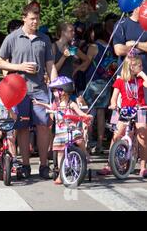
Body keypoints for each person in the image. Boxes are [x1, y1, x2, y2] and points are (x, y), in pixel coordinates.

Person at [0, 1, 59, 180]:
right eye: (32, 19)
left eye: (37, 19)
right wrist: (20, 67)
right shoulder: (13, 37)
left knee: (43, 126)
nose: (35, 22)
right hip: (18, 90)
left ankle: (44, 165)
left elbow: (50, 65)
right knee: (22, 128)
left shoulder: (44, 38)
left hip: (39, 88)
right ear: (24, 18)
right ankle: (25, 165)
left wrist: (55, 89)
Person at [33, 76, 93, 184]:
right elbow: (50, 107)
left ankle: (84, 154)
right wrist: (39, 104)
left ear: (63, 91)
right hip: (60, 133)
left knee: (79, 140)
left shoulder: (72, 104)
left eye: (55, 91)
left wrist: (86, 116)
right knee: (60, 153)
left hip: (71, 130)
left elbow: (80, 113)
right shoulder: (56, 104)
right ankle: (61, 174)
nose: (54, 93)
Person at [98, 55, 147, 177]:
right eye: (139, 66)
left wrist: (142, 74)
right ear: (131, 67)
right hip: (125, 109)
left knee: (142, 134)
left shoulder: (140, 79)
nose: (142, 67)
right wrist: (113, 104)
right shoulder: (120, 81)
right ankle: (109, 164)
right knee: (117, 133)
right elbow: (114, 98)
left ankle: (143, 167)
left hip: (140, 109)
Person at [82, 23, 117, 154]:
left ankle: (89, 142)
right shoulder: (108, 46)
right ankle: (100, 143)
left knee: (89, 113)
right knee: (101, 114)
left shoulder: (93, 46)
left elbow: (87, 62)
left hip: (93, 81)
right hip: (105, 82)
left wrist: (77, 69)